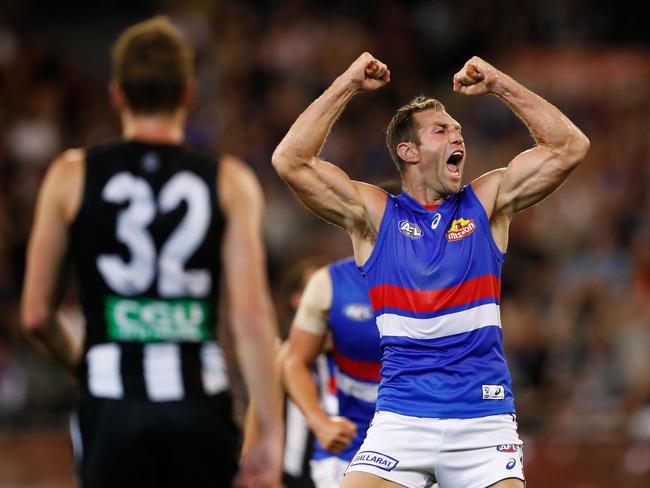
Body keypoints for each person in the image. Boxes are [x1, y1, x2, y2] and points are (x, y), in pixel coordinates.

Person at [272, 52, 590, 488]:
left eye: (458, 129)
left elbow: (570, 147)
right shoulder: (374, 215)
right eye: (441, 130)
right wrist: (346, 83)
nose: (458, 136)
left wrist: (500, 84)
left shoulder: (488, 202)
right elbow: (290, 161)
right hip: (401, 419)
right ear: (409, 151)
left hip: (483, 420)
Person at [20, 16, 282, 487]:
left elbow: (37, 313)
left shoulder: (70, 175)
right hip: (198, 404)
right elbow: (249, 315)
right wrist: (271, 431)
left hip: (111, 403)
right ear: (188, 92)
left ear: (117, 93)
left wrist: (84, 361)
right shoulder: (229, 180)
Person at [283, 255, 382, 488]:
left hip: (419, 441)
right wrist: (320, 423)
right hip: (345, 451)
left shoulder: (440, 274)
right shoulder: (331, 283)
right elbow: (290, 361)